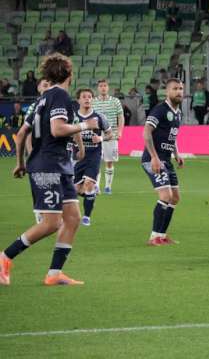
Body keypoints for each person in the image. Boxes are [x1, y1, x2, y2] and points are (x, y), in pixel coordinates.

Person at [1, 54, 95, 286]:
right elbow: (57, 129)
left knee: (72, 217)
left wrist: (21, 162)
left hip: (58, 165)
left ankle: (54, 273)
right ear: (69, 75)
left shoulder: (41, 100)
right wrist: (86, 125)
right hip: (49, 166)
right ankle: (4, 257)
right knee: (52, 223)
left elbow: (21, 134)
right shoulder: (60, 96)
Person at [141, 79, 185, 246]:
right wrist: (154, 157)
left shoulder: (178, 112)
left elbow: (171, 135)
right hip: (153, 159)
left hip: (166, 159)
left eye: (181, 88)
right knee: (166, 196)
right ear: (167, 92)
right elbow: (146, 132)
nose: (179, 91)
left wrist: (176, 153)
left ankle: (162, 235)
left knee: (175, 198)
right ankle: (154, 237)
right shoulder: (160, 109)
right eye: (175, 89)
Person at [74, 89, 112, 226]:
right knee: (77, 189)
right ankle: (90, 196)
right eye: (84, 97)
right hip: (78, 156)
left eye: (89, 97)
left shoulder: (99, 117)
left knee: (89, 184)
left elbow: (110, 134)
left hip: (94, 155)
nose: (87, 99)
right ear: (78, 100)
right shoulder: (73, 117)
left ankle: (86, 217)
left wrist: (101, 138)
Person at [92, 79, 124, 195]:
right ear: (98, 88)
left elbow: (121, 117)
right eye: (101, 86)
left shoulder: (115, 101)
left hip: (111, 134)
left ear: (108, 87)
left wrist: (120, 131)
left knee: (109, 162)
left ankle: (108, 187)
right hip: (96, 135)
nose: (103, 88)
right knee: (96, 161)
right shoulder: (93, 101)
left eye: (105, 85)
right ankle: (96, 186)